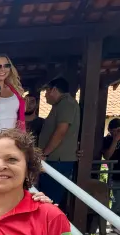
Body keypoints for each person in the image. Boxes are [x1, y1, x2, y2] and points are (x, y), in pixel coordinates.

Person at [38, 77, 81, 212]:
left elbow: (61, 131)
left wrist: (45, 153)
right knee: (45, 197)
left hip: (58, 161)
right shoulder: (60, 105)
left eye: (46, 91)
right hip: (53, 159)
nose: (45, 95)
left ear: (54, 89)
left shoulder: (66, 103)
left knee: (50, 199)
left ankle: (51, 230)